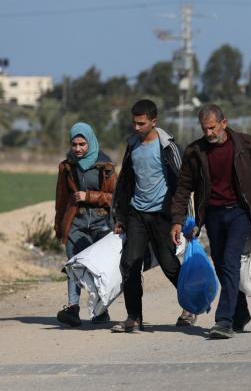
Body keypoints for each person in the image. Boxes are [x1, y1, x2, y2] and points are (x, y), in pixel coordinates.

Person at [170, 105, 251, 339]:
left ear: (224, 123)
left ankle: (224, 321)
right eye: (205, 129)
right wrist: (177, 220)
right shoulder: (195, 152)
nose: (209, 133)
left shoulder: (247, 145)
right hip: (213, 215)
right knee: (222, 266)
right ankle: (240, 312)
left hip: (240, 213)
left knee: (231, 261)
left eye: (212, 128)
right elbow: (184, 187)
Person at [111, 99, 194, 333]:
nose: (136, 127)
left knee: (168, 263)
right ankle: (134, 317)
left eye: (141, 123)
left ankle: (190, 306)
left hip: (162, 214)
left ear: (154, 122)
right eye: (134, 123)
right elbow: (125, 182)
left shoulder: (167, 147)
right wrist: (120, 215)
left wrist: (182, 219)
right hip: (137, 213)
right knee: (130, 262)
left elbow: (182, 183)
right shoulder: (132, 145)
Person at [54, 123, 116, 327]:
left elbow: (114, 197)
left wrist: (88, 196)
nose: (78, 149)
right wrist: (59, 226)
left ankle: (100, 310)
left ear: (91, 142)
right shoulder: (67, 167)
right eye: (74, 144)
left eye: (82, 144)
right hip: (76, 223)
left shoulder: (105, 167)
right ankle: (72, 308)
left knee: (98, 269)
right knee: (74, 266)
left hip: (102, 224)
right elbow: (62, 199)